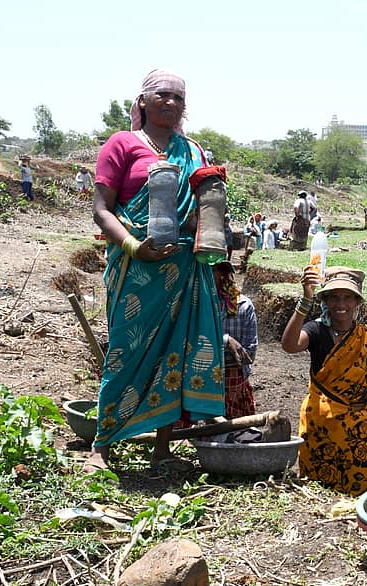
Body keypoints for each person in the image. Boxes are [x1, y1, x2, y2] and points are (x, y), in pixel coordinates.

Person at [86, 68, 225, 473]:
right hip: (136, 266)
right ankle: (102, 443)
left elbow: (208, 210)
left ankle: (162, 449)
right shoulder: (122, 144)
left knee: (176, 356)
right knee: (125, 352)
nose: (171, 103)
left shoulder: (194, 151)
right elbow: (101, 211)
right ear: (143, 101)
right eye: (162, 95)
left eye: (178, 98)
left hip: (184, 267)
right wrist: (134, 246)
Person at [281, 266, 367, 495]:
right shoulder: (316, 331)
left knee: (359, 493)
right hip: (320, 429)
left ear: (357, 302)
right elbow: (289, 345)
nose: (341, 304)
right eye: (334, 297)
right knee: (318, 494)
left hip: (357, 433)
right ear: (325, 301)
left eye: (347, 297)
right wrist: (305, 299)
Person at [212, 260, 258, 418]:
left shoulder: (244, 305)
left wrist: (214, 344)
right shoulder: (196, 304)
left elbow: (248, 355)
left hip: (233, 383)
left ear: (223, 274)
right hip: (202, 382)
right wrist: (226, 341)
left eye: (214, 270)